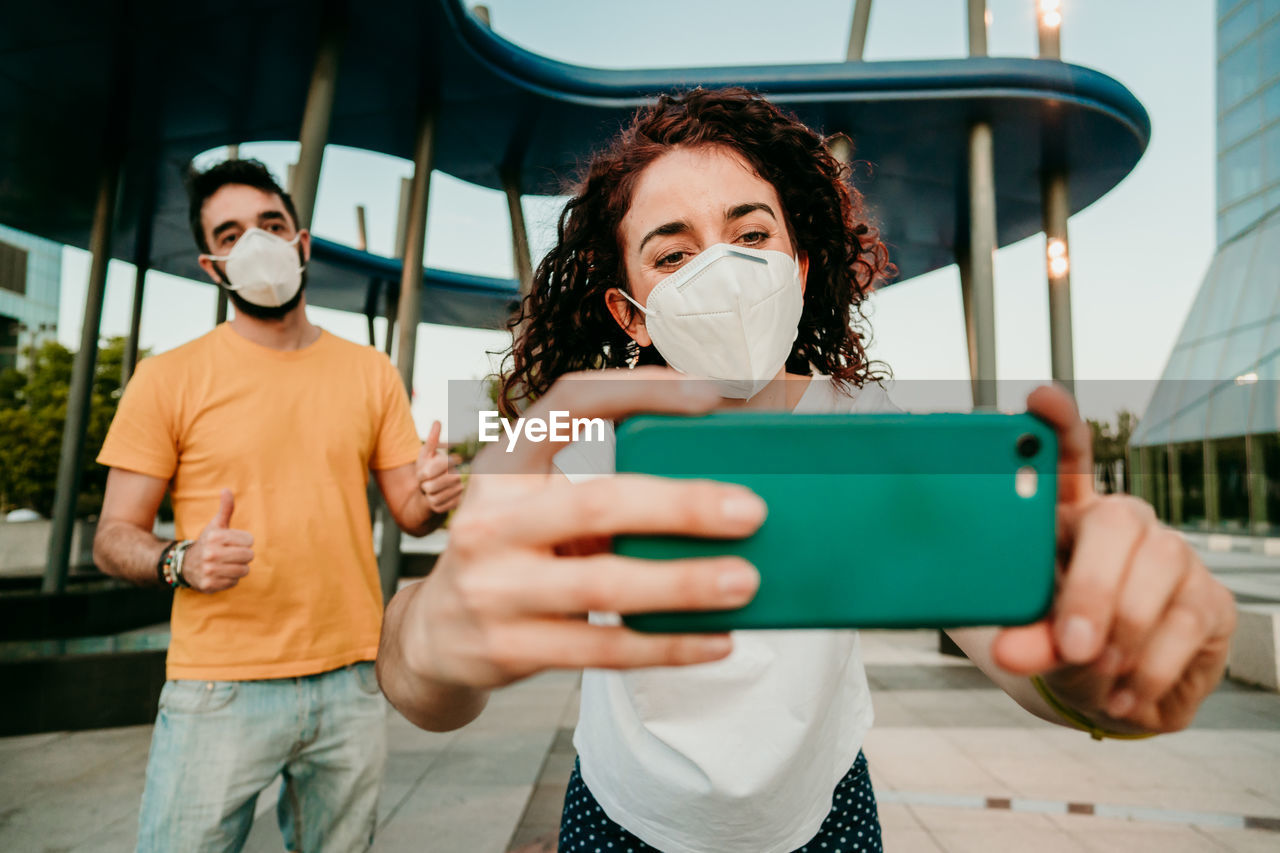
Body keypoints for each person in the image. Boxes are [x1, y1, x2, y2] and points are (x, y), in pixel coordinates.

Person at [376, 89, 1237, 853]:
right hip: (623, 821)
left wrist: (1086, 669)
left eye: (752, 233)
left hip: (823, 819)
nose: (720, 267)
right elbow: (425, 672)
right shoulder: (576, 433)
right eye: (672, 254)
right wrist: (433, 641)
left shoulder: (867, 431)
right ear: (628, 313)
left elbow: (1011, 646)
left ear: (797, 269)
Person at [93, 158, 463, 853]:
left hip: (353, 678)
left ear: (302, 243)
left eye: (271, 223)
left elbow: (411, 511)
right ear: (212, 265)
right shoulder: (167, 377)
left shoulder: (370, 370)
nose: (256, 242)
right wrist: (183, 559)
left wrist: (436, 494)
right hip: (219, 689)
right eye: (230, 233)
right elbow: (114, 534)